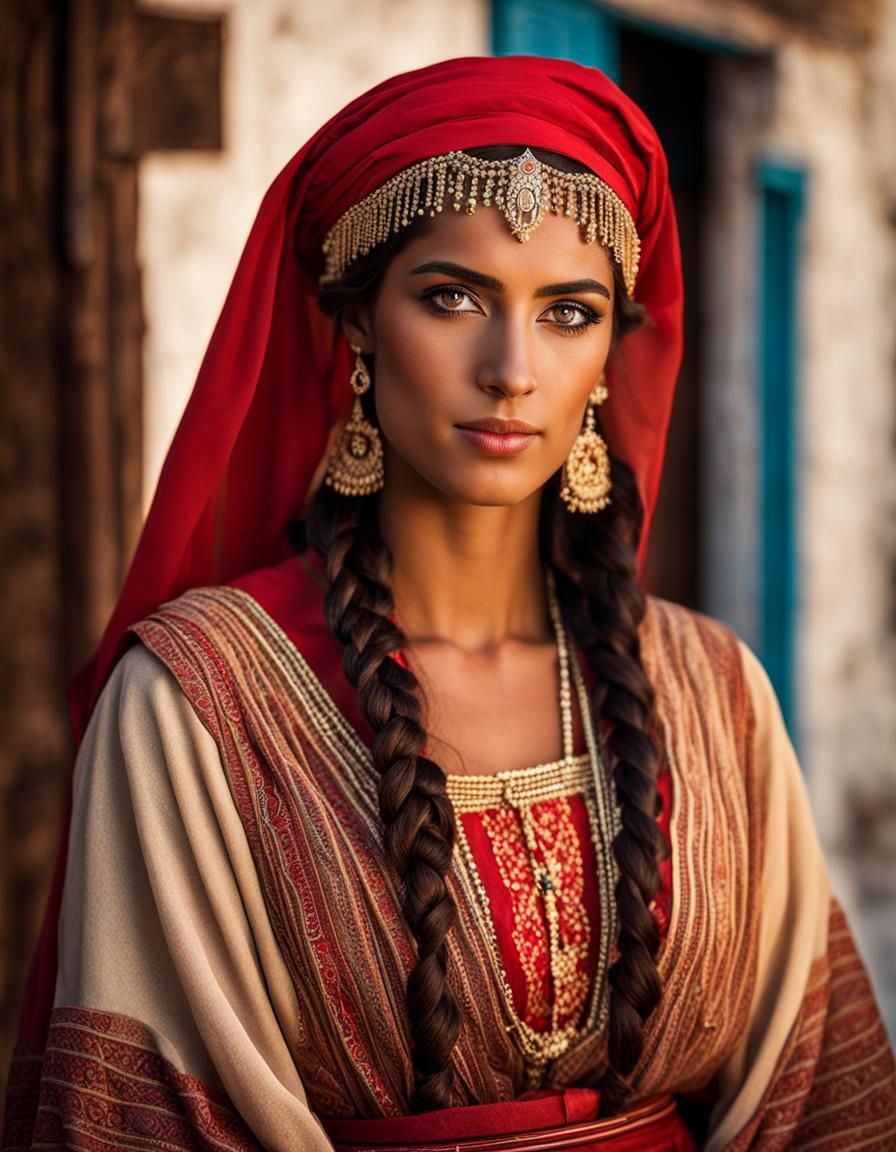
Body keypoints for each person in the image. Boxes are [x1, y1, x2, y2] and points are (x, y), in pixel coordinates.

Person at [3, 55, 894, 1152]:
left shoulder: (713, 692)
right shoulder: (197, 706)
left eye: (567, 313)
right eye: (451, 297)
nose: (510, 368)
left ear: (609, 358)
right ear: (360, 328)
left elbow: (816, 1103)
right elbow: (151, 1122)